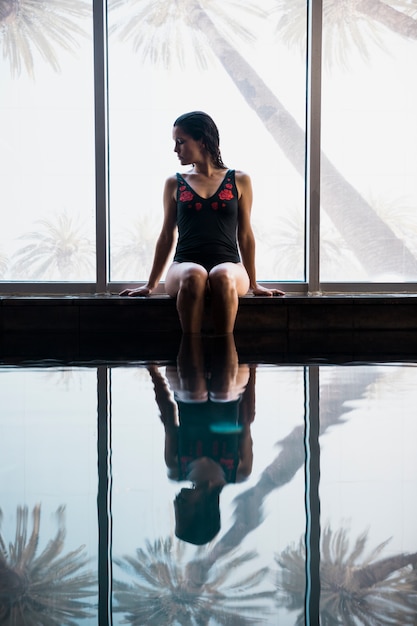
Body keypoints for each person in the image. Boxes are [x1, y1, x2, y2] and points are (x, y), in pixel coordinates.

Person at [120, 111, 284, 334]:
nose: (175, 149)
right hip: (184, 265)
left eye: (181, 142)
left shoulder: (240, 180)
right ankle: (190, 353)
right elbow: (167, 235)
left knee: (222, 276)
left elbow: (245, 234)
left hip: (230, 265)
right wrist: (150, 285)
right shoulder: (174, 183)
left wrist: (255, 285)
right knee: (194, 275)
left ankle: (226, 353)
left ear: (203, 141)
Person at [147, 333, 256, 545]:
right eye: (181, 514)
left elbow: (169, 418)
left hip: (186, 386)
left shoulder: (176, 468)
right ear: (201, 512)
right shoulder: (239, 471)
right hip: (229, 386)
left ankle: (192, 335)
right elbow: (246, 419)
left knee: (193, 391)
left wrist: (152, 370)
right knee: (223, 390)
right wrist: (253, 369)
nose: (176, 506)